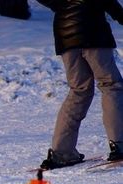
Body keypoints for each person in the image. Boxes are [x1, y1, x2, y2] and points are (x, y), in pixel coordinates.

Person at [38, 0, 123, 170]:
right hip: (94, 32)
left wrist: (62, 6)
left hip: (65, 33)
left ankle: (62, 152)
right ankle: (119, 144)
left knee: (79, 90)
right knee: (111, 85)